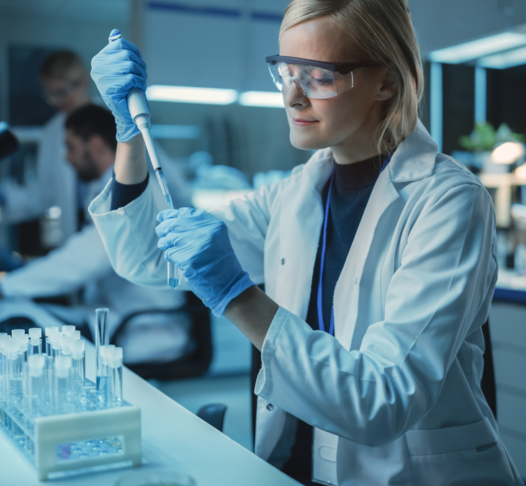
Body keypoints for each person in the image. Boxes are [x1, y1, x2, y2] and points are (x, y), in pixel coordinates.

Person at [88, 1, 524, 485]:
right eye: (286, 71)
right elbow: (151, 258)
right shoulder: (293, 194)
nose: (292, 97)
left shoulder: (449, 202)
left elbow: (384, 400)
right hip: (293, 468)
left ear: (387, 82)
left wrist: (237, 296)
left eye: (318, 76)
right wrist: (128, 135)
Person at [0, 104, 190, 364]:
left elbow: (81, 262)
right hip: (118, 316)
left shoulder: (129, 195)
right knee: (31, 325)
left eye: (71, 147)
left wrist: (0, 287)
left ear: (96, 145)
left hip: (146, 329)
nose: (66, 158)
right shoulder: (112, 188)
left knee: (33, 346)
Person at [0, 51, 91, 244]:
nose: (57, 101)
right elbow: (44, 193)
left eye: (62, 92)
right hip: (75, 241)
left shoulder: (117, 122)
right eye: (50, 94)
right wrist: (3, 196)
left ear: (83, 82)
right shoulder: (52, 133)